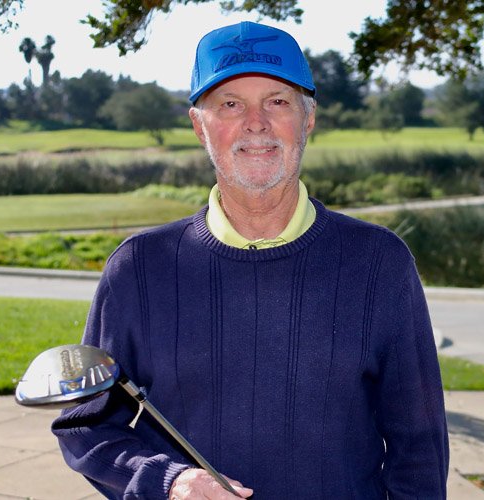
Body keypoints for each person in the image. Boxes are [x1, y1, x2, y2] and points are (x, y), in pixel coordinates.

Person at [52, 21, 449, 499]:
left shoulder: (379, 262)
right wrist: (169, 481)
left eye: (278, 102)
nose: (255, 122)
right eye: (231, 104)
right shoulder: (138, 268)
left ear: (308, 120)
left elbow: (419, 447)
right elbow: (85, 426)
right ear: (200, 126)